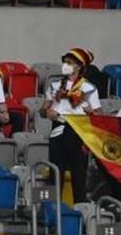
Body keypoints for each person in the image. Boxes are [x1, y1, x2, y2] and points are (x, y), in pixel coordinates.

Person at [41, 48, 101, 204]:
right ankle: (54, 211)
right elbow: (42, 110)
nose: (65, 65)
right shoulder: (54, 85)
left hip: (78, 132)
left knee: (79, 177)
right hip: (58, 130)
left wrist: (89, 111)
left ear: (79, 66)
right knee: (55, 176)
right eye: (64, 62)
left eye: (69, 63)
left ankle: (80, 211)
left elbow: (99, 116)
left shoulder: (89, 88)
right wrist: (48, 112)